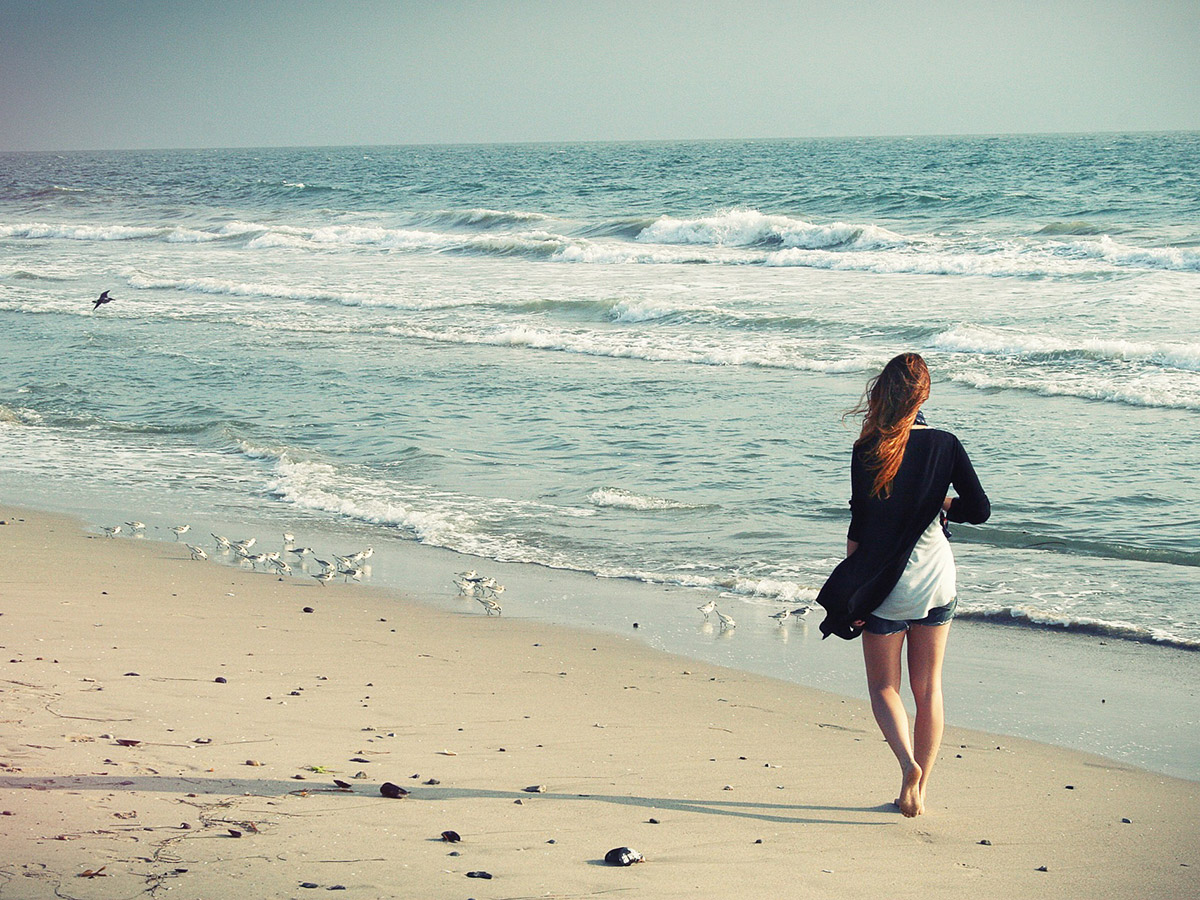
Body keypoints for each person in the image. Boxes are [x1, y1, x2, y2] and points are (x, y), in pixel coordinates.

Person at [815, 353, 990, 817]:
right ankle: (920, 790)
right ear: (924, 395)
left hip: (886, 587)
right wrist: (943, 502)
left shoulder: (867, 448)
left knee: (883, 688)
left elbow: (860, 527)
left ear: (883, 394)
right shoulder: (946, 444)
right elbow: (980, 509)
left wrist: (854, 588)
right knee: (928, 687)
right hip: (937, 581)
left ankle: (907, 764)